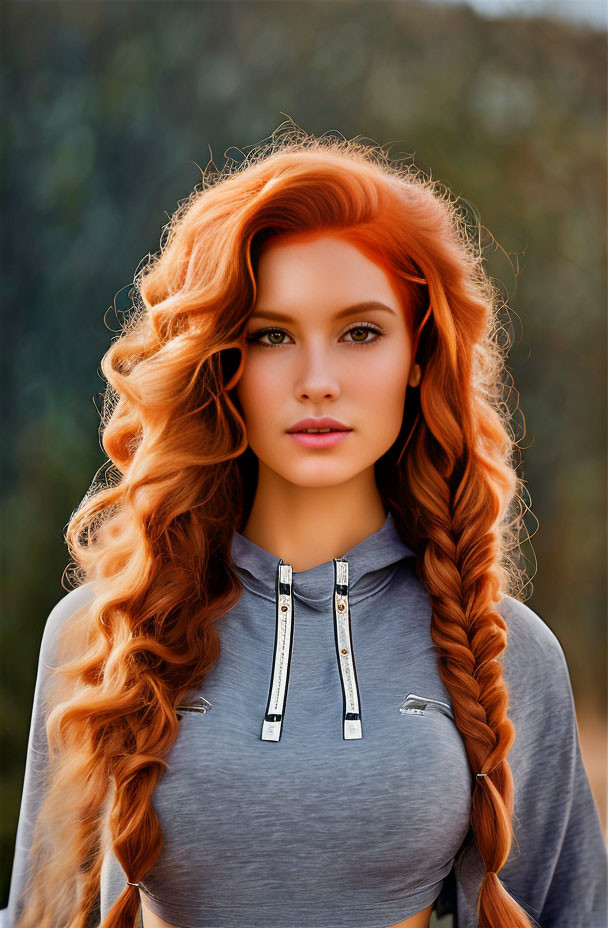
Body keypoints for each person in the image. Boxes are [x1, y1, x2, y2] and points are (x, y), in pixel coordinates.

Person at [3, 126, 607, 928]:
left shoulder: (503, 651)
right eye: (270, 336)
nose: (317, 381)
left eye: (361, 332)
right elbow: (42, 912)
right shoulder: (98, 637)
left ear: (419, 355)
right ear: (220, 361)